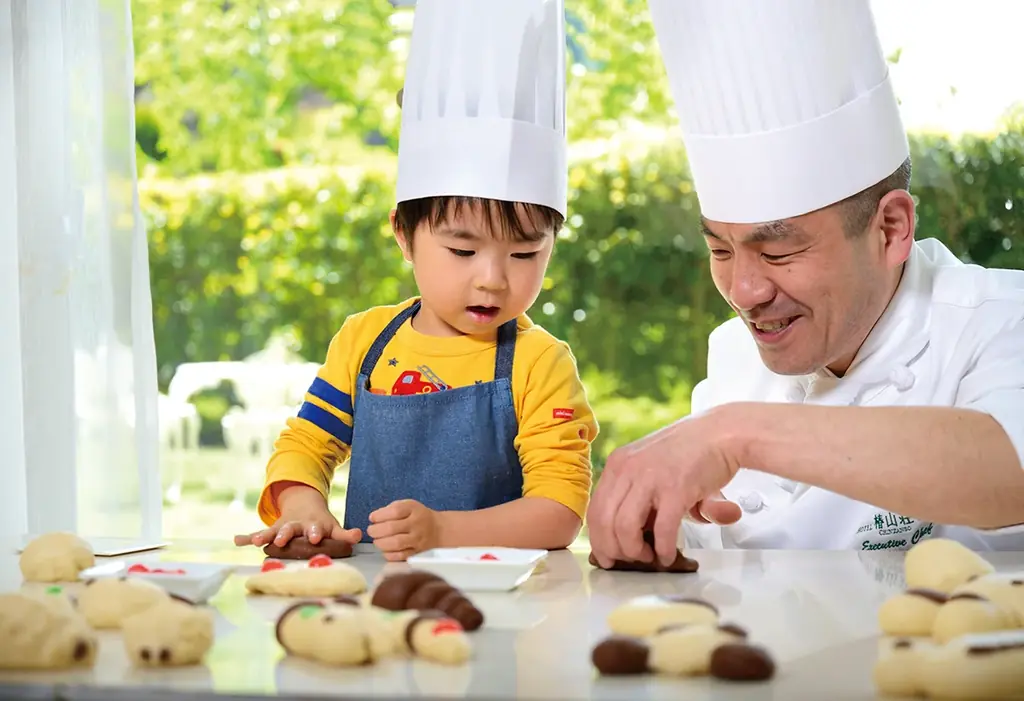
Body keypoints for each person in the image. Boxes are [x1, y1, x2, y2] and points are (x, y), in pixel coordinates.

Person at [587, 0, 1024, 568]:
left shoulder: (1000, 319)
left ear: (890, 229)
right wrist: (655, 542)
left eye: (779, 251)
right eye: (720, 248)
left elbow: (1008, 465)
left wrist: (735, 434)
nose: (744, 292)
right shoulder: (733, 357)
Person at [235, 0, 598, 561]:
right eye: (462, 249)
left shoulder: (541, 364)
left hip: (505, 601)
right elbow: (307, 444)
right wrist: (304, 508)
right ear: (403, 235)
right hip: (372, 599)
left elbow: (559, 512)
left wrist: (443, 532)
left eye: (525, 253)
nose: (493, 280)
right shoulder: (364, 343)